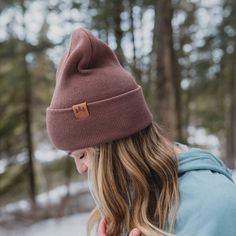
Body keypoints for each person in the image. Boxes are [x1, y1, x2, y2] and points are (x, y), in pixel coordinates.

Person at [46, 27, 236, 236]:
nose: (81, 168)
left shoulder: (217, 204)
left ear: (115, 144)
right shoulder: (118, 204)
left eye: (82, 154)